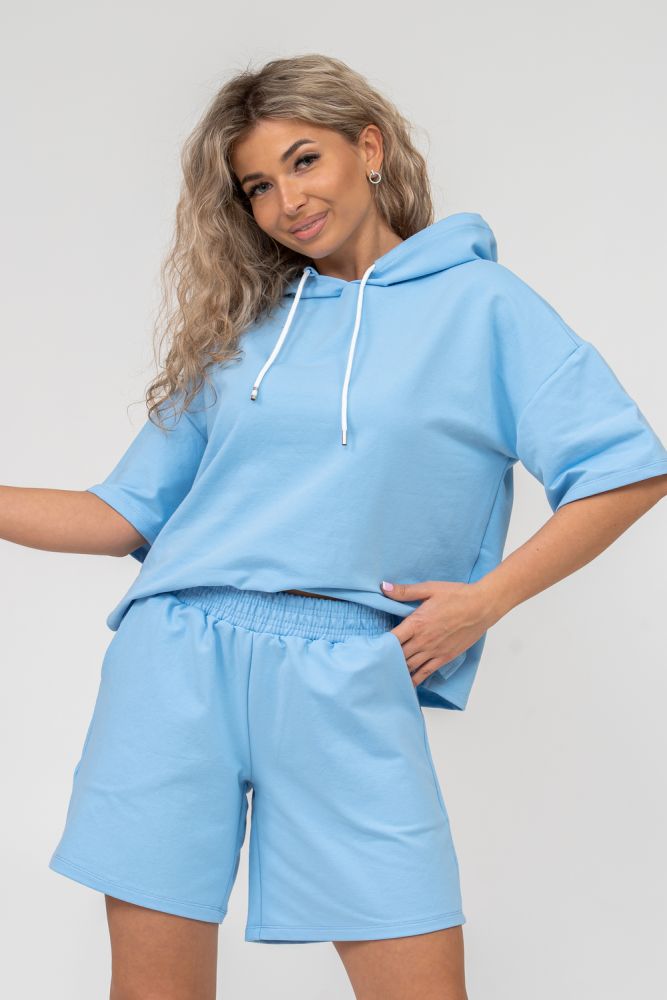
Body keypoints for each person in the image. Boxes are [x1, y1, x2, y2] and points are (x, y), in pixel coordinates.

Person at [5, 52, 667, 1000]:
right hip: (174, 662)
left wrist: (483, 603)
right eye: (258, 187)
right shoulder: (247, 329)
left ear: (370, 148)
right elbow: (120, 514)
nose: (287, 203)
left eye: (304, 161)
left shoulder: (483, 306)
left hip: (348, 666)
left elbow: (624, 470)